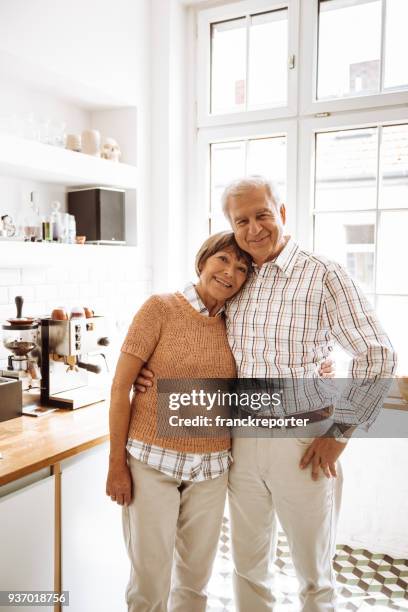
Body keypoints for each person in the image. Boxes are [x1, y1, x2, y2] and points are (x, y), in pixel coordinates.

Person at [136, 176, 396, 612]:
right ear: (231, 226)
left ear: (283, 213)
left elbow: (378, 355)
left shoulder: (323, 274)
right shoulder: (237, 279)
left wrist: (340, 432)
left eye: (262, 215)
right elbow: (198, 335)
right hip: (240, 440)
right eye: (242, 220)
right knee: (247, 566)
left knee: (313, 572)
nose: (254, 229)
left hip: (303, 439)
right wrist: (148, 368)